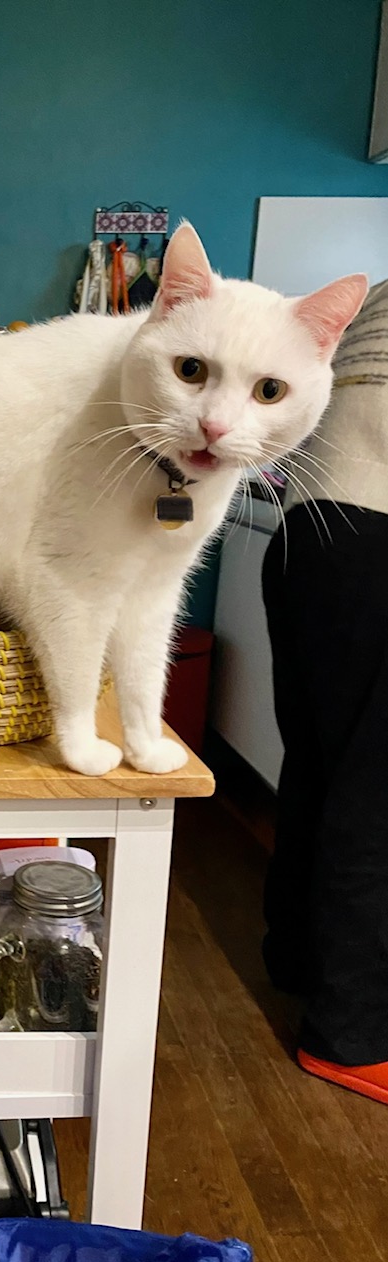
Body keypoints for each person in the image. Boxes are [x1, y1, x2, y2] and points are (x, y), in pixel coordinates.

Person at [262, 278, 388, 1103]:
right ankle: (350, 1035)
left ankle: (297, 960)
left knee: (316, 765)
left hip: (308, 533)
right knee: (374, 799)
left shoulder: (377, 293)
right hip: (379, 538)